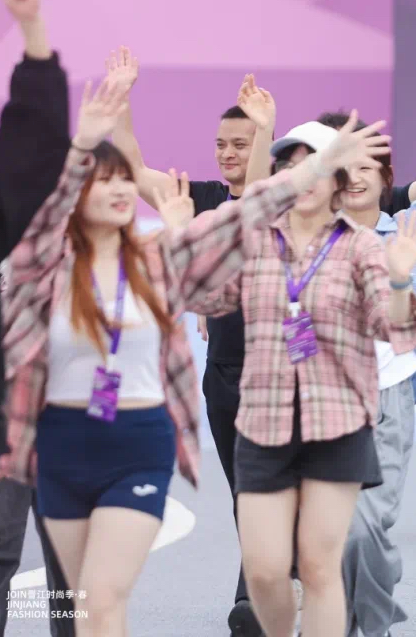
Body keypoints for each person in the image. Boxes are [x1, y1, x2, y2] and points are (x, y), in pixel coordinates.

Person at [0, 63, 364, 636]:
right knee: (75, 598)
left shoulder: (163, 259)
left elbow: (249, 215)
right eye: (104, 182)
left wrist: (311, 165)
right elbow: (43, 216)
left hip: (142, 440)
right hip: (60, 442)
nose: (122, 190)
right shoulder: (42, 270)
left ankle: (262, 597)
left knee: (104, 597)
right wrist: (89, 138)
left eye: (125, 182)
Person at [245, 89, 416, 637]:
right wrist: (263, 131)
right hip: (317, 398)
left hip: (385, 398)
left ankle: (370, 624)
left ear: (384, 177)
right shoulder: (300, 236)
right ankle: (356, 622)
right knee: (325, 538)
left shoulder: (407, 229)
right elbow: (256, 206)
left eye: (365, 169)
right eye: (341, 169)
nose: (353, 179)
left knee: (365, 527)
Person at [193, 109, 416, 637]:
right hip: (263, 426)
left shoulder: (360, 245)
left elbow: (399, 331)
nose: (304, 176)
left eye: (316, 165)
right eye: (292, 167)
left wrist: (398, 283)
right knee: (265, 572)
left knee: (320, 570)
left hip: (335, 426)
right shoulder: (254, 241)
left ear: (337, 181)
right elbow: (194, 292)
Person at [107, 56, 275, 635]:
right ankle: (274, 585)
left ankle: (255, 601)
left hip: (279, 374)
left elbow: (257, 200)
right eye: (221, 144)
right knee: (245, 494)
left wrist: (265, 129)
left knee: (264, 492)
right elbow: (131, 167)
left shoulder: (279, 200)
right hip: (224, 374)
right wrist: (121, 98)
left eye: (240, 144)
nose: (228, 153)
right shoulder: (198, 198)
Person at [0, 0, 77, 637]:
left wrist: (33, 32)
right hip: (0, 417)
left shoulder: (29, 208)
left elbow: (35, 146)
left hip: (66, 408)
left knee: (70, 564)